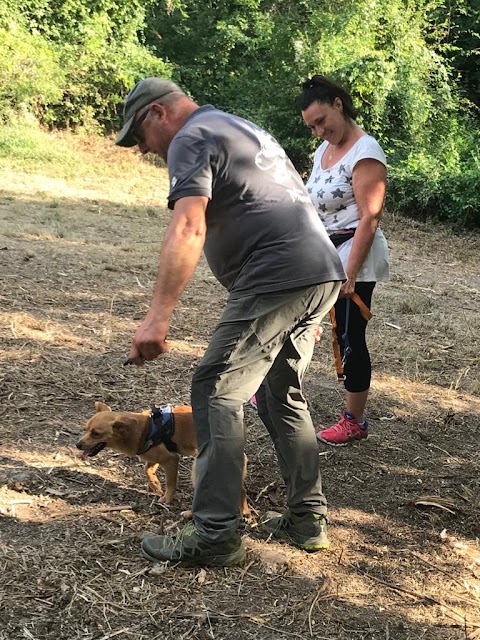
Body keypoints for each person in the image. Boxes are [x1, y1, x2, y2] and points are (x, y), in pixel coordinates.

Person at [115, 77, 345, 567]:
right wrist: (310, 295)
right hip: (317, 270)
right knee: (281, 393)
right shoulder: (239, 127)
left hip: (277, 275)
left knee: (215, 390)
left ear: (157, 113)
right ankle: (307, 519)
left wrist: (156, 318)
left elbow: (189, 224)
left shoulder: (190, 138)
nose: (144, 150)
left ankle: (216, 533)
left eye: (139, 137)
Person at [298, 75, 389, 446]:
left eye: (322, 121)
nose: (319, 131)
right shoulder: (324, 151)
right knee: (297, 320)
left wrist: (349, 275)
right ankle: (273, 389)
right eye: (312, 127)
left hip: (355, 254)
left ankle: (354, 420)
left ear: (339, 104)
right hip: (322, 252)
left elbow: (370, 217)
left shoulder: (365, 152)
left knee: (350, 335)